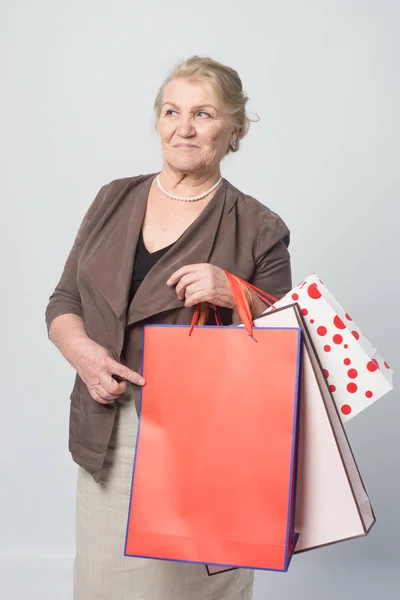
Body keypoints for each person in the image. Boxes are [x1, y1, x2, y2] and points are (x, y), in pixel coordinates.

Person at [45, 55, 292, 600]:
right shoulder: (113, 199)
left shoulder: (258, 227)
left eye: (202, 114)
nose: (183, 127)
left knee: (191, 591)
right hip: (108, 428)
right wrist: (81, 352)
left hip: (206, 443)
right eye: (171, 111)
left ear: (233, 129)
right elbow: (64, 300)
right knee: (104, 586)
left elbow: (287, 344)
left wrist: (235, 293)